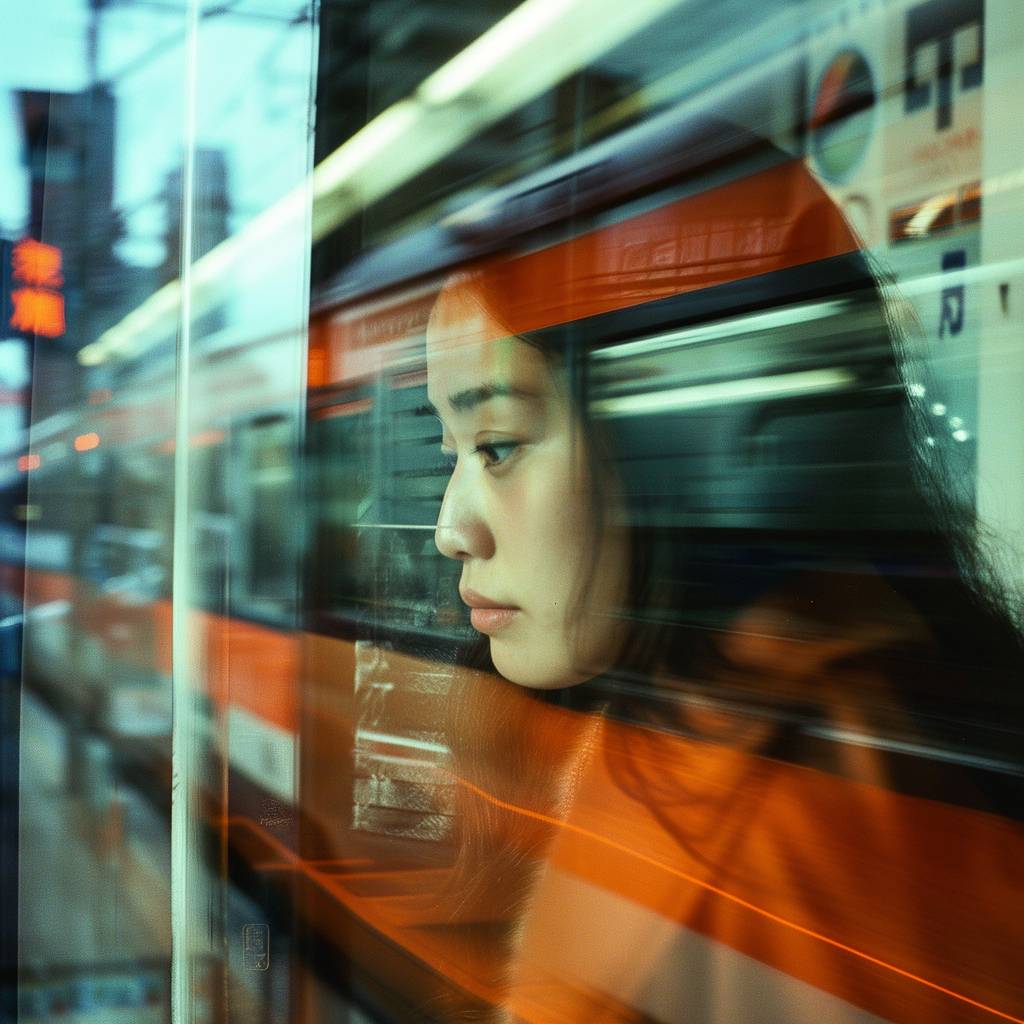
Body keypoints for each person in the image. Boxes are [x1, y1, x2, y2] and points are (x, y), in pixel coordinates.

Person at [421, 142, 1024, 1023]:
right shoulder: (677, 725)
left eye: (498, 446)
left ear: (684, 447)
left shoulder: (796, 816)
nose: (449, 527)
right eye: (451, 452)